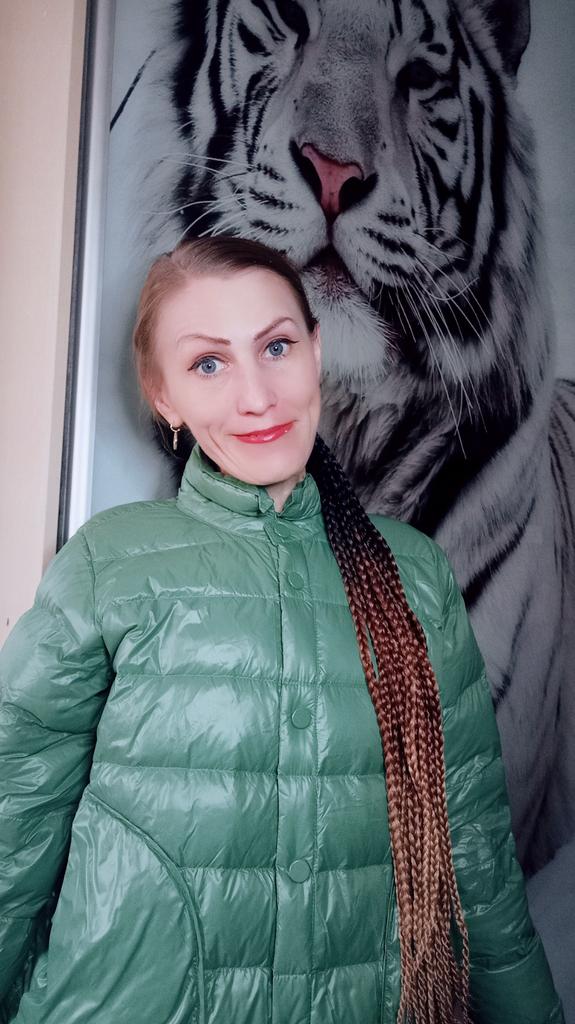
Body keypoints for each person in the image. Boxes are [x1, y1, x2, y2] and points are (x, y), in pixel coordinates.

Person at [0, 236, 564, 1024]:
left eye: (275, 347)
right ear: (164, 398)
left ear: (315, 351)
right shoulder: (108, 563)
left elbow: (476, 858)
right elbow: (15, 826)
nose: (257, 396)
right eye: (208, 363)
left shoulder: (413, 576)